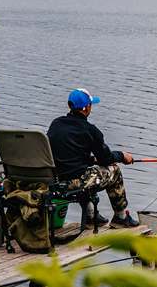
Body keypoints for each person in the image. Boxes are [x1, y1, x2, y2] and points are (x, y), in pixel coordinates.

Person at [47, 88, 139, 228]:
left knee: (88, 170)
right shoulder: (90, 130)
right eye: (90, 104)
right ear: (86, 108)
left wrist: (91, 160)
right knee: (114, 171)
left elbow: (68, 155)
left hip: (56, 181)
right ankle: (120, 217)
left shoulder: (56, 124)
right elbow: (106, 159)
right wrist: (122, 156)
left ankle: (90, 215)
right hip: (74, 183)